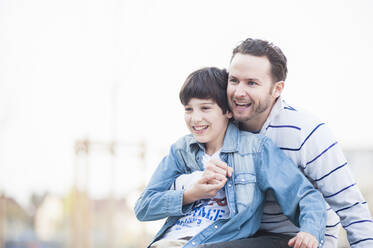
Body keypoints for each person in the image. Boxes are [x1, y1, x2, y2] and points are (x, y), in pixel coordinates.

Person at [198, 38, 373, 248]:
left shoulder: (306, 132)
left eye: (251, 83)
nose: (238, 92)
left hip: (297, 239)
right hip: (238, 236)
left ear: (277, 89)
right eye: (234, 80)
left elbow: (351, 207)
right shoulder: (222, 126)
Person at [134, 67, 326, 248]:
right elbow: (143, 207)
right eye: (188, 109)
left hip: (211, 242)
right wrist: (191, 193)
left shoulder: (255, 149)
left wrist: (310, 232)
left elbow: (304, 194)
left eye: (205, 108)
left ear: (228, 111)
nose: (195, 118)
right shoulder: (181, 150)